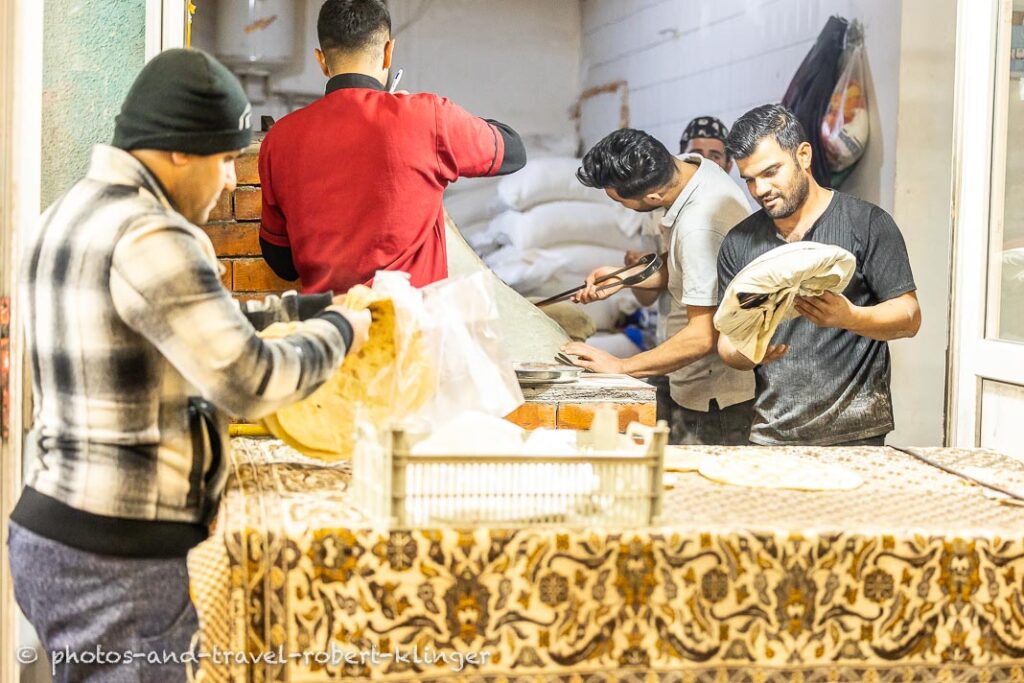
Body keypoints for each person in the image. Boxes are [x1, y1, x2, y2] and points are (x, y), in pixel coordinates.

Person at [7, 49, 371, 682]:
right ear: (179, 150)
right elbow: (250, 381)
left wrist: (314, 305)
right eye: (226, 158)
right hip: (120, 558)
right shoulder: (153, 236)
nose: (232, 180)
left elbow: (191, 323)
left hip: (54, 531)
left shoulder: (59, 219)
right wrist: (344, 330)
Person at [258, 0, 527, 294]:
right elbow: (513, 150)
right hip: (413, 332)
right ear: (388, 52)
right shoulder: (428, 116)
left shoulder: (279, 139)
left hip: (329, 332)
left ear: (322, 60)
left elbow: (281, 262)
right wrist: (433, 120)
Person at [717, 104, 921, 446]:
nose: (759, 190)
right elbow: (727, 343)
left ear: (804, 155)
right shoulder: (739, 244)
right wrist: (750, 351)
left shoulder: (866, 224)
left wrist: (849, 316)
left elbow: (909, 317)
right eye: (749, 179)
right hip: (771, 434)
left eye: (771, 172)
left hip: (856, 435)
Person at [563, 129, 755, 445]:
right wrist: (625, 276)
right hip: (682, 376)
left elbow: (703, 335)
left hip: (711, 397)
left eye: (619, 199)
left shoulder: (699, 225)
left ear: (652, 198)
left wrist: (620, 366)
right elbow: (685, 268)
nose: (617, 203)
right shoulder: (695, 171)